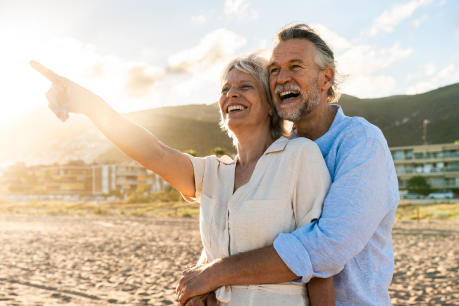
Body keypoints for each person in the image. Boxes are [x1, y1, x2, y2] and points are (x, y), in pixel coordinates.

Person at [30, 50, 335, 305]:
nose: (231, 94)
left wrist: (212, 274)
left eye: (245, 86)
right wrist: (88, 103)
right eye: (225, 89)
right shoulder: (214, 172)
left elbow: (322, 264)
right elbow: (153, 152)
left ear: (270, 103)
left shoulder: (300, 156)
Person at [176, 23, 399, 306]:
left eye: (295, 67)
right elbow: (243, 229)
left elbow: (325, 247)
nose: (282, 78)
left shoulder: (361, 143)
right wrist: (206, 280)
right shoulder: (280, 152)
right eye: (274, 70)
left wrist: (217, 273)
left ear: (326, 78)